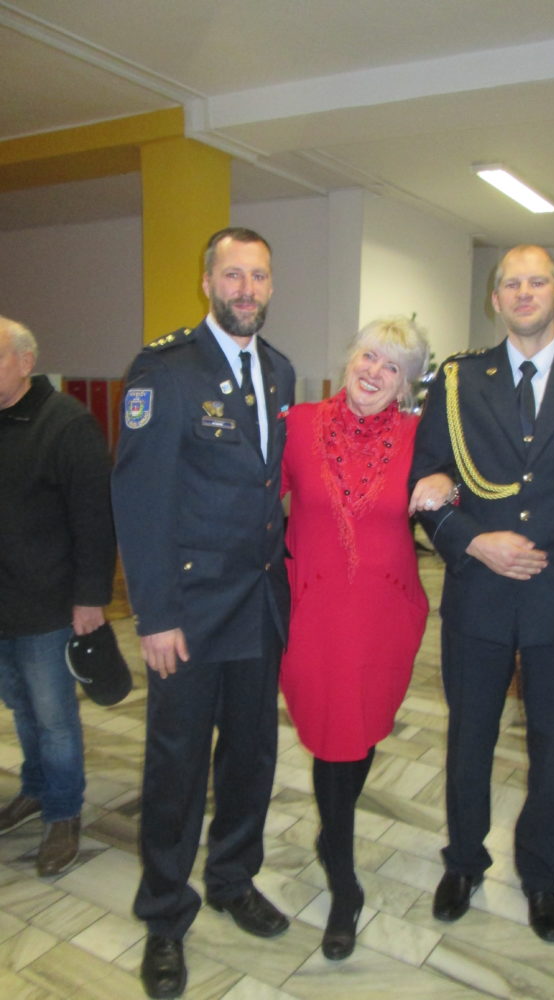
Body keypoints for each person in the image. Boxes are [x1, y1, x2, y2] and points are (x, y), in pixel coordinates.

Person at [410, 245, 554, 943]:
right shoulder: (458, 380)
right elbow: (424, 486)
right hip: (478, 589)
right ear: (496, 298)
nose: (525, 292)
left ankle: (541, 874)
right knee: (469, 737)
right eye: (512, 283)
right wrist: (474, 540)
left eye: (538, 281)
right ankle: (463, 862)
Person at [111, 227, 295, 1000]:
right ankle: (163, 915)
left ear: (271, 285)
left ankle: (231, 878)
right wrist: (154, 614)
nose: (246, 289)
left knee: (251, 757)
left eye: (258, 275)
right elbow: (140, 499)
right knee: (177, 768)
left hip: (259, 603)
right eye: (232, 275)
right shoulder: (165, 370)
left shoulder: (280, 370)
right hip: (187, 613)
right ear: (207, 281)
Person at [280, 316, 453, 960]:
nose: (375, 372)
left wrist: (448, 482)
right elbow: (253, 498)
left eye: (393, 367)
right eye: (369, 357)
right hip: (314, 613)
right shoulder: (296, 424)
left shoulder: (421, 434)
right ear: (350, 358)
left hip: (385, 615)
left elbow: (464, 481)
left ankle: (334, 836)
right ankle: (344, 883)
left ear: (406, 385)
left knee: (360, 731)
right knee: (334, 737)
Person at [0, 317, 116, 877]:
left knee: (54, 719)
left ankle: (64, 811)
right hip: (2, 605)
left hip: (48, 606)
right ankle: (36, 788)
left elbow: (96, 518)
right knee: (21, 708)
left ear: (26, 362)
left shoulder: (66, 424)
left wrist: (91, 598)